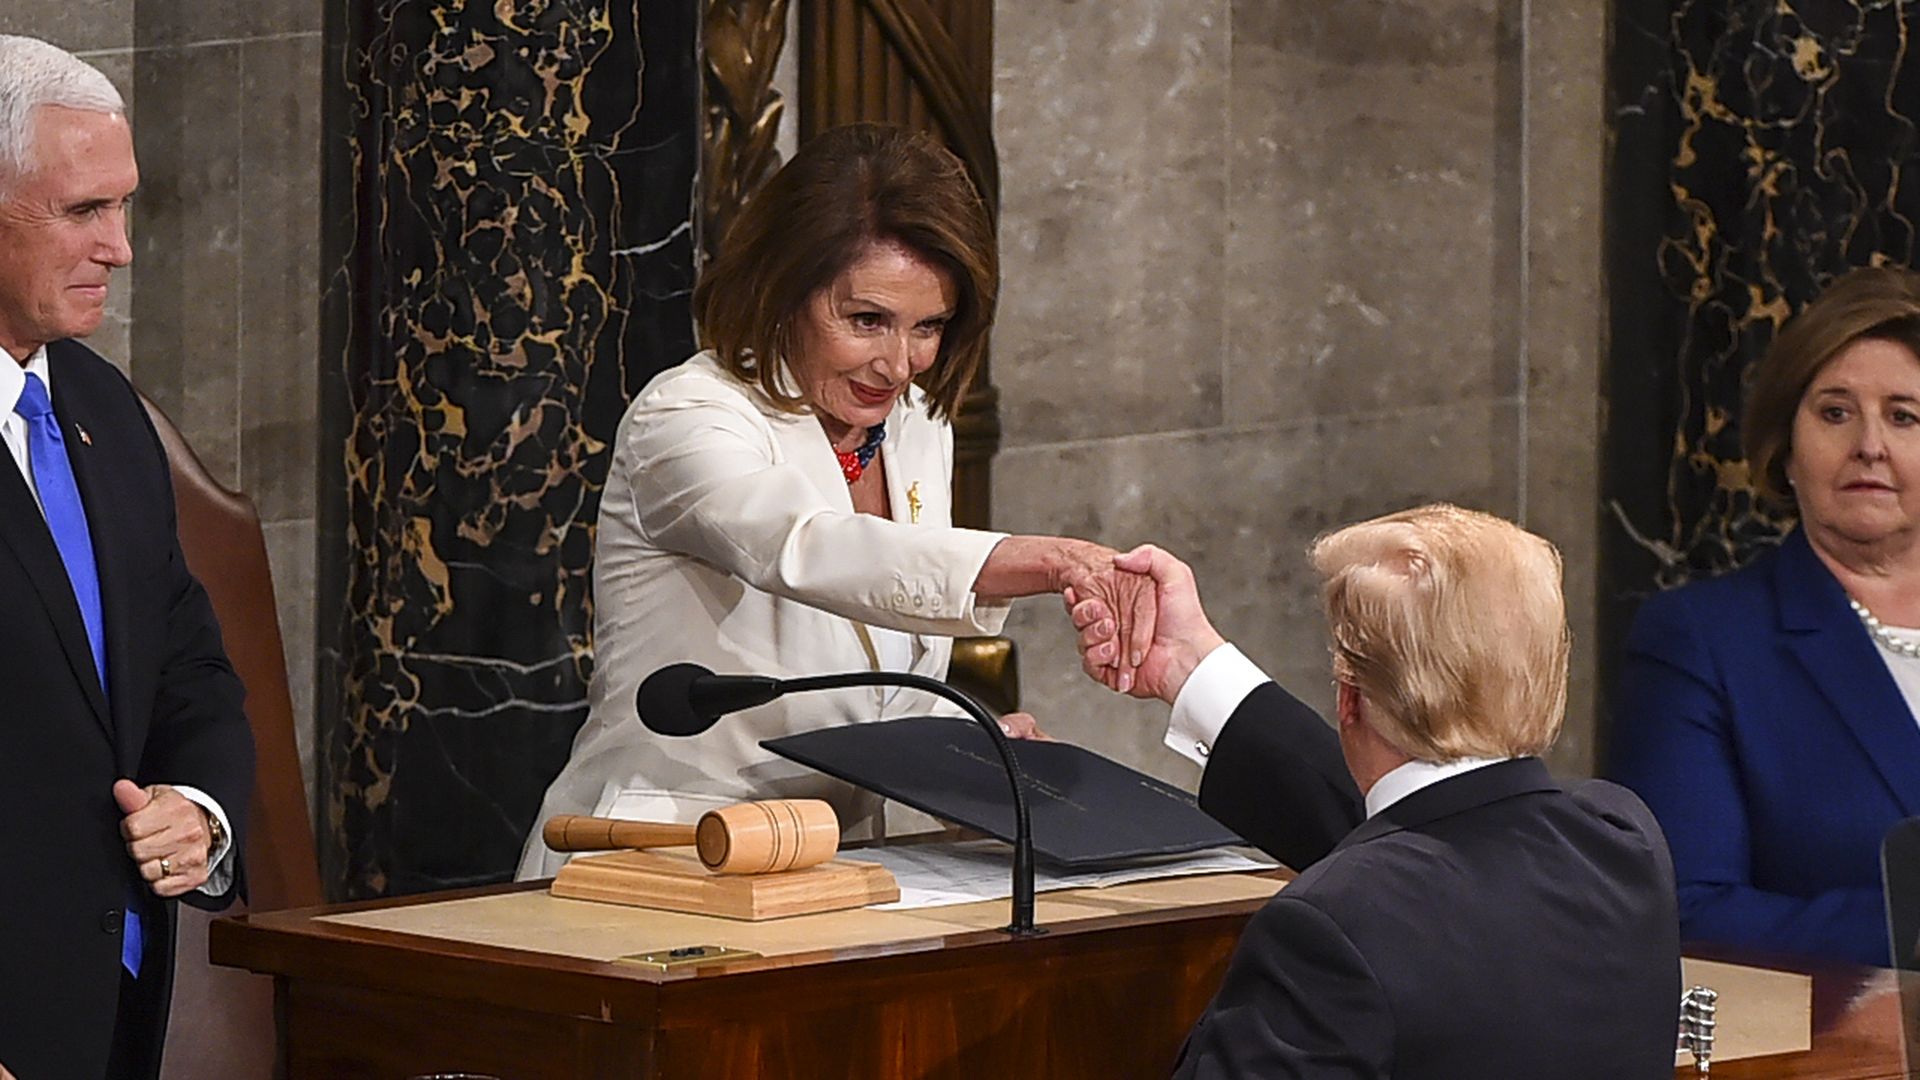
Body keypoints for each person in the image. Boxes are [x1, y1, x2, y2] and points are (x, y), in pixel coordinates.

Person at [518, 124, 1151, 877]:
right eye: (866, 320)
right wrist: (1042, 560)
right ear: (785, 289)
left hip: (831, 872)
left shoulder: (916, 425)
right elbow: (808, 548)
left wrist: (967, 741)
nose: (897, 363)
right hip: (658, 861)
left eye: (929, 327)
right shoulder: (684, 417)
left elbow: (874, 682)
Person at [1068, 506, 1680, 1077]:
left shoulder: (1326, 928)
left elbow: (1392, 883)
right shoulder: (1624, 840)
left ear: (1349, 697)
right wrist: (1191, 666)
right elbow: (1436, 844)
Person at [0, 35, 255, 1080]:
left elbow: (188, 662)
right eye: (82, 212)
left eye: (124, 206)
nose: (123, 247)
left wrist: (198, 811)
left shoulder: (105, 407)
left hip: (111, 1005)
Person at [1612, 265, 1920, 967]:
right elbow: (1684, 908)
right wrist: (1908, 928)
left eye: (1904, 416)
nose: (1870, 444)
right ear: (1785, 450)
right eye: (1836, 412)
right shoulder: (1702, 644)